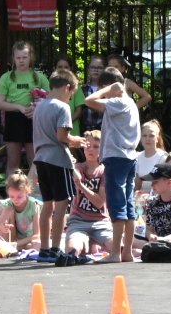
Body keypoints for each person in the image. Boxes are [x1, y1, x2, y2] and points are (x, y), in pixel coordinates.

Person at [85, 70, 142, 263]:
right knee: (128, 205)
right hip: (129, 158)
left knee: (117, 205)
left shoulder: (119, 102)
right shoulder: (132, 103)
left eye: (104, 88)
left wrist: (110, 88)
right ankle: (127, 253)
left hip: (117, 158)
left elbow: (89, 101)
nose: (103, 92)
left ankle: (116, 252)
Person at [32, 72, 77, 261]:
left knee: (47, 205)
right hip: (57, 159)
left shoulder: (39, 106)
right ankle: (56, 248)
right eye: (71, 93)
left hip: (40, 158)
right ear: (67, 87)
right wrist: (78, 141)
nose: (70, 97)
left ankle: (44, 248)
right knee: (61, 206)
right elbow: (62, 137)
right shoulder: (63, 107)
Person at [0, 42, 49, 174]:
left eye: (24, 57)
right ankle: (12, 192)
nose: (21, 61)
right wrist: (18, 107)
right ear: (13, 58)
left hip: (34, 118)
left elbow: (50, 100)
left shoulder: (40, 77)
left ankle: (36, 193)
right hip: (13, 119)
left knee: (34, 160)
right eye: (18, 58)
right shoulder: (6, 77)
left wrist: (36, 108)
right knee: (13, 162)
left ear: (31, 57)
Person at [61, 135, 113, 264]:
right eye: (88, 146)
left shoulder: (104, 171)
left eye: (96, 147)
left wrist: (81, 186)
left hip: (100, 221)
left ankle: (94, 244)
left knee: (116, 247)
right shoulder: (78, 167)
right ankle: (77, 253)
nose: (91, 150)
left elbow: (100, 202)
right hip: (78, 220)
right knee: (72, 249)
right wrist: (71, 166)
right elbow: (75, 175)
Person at [0, 170, 41, 251]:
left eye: (19, 197)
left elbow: (37, 235)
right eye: (12, 196)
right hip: (11, 238)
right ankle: (6, 244)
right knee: (8, 209)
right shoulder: (7, 204)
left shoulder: (34, 205)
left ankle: (12, 246)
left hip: (28, 240)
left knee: (37, 245)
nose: (15, 200)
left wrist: (17, 244)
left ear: (27, 192)